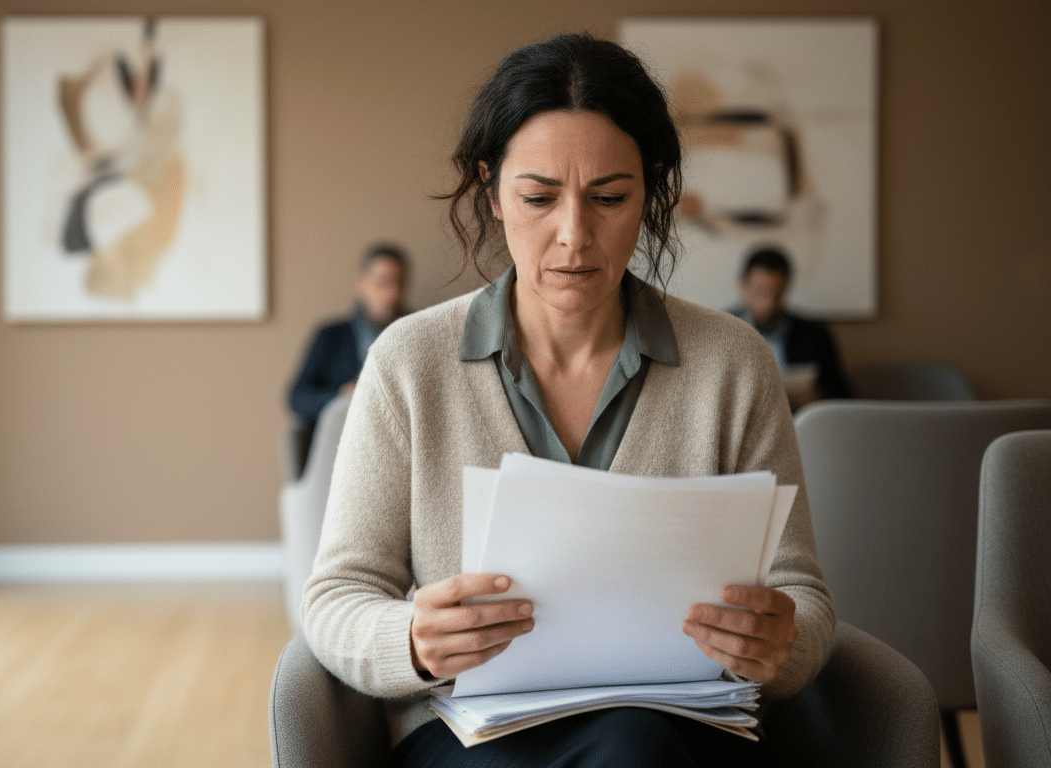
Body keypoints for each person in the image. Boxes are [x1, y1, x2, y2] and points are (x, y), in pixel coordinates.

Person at [301, 33, 834, 767]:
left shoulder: (733, 363)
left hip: (677, 733)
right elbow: (337, 596)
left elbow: (801, 594)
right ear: (491, 191)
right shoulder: (408, 362)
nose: (574, 237)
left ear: (649, 193)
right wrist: (412, 643)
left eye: (609, 198)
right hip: (472, 734)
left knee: (633, 744)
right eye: (538, 197)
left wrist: (780, 639)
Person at [288, 243, 409, 430]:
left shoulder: (416, 333)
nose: (392, 294)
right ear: (361, 283)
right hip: (343, 437)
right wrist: (342, 395)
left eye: (398, 283)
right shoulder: (331, 336)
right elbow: (297, 399)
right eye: (383, 283)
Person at [731, 248, 853, 409]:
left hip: (798, 424)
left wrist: (817, 396)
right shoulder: (722, 331)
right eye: (761, 292)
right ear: (743, 287)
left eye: (776, 294)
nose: (768, 303)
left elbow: (843, 395)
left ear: (786, 288)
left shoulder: (814, 333)